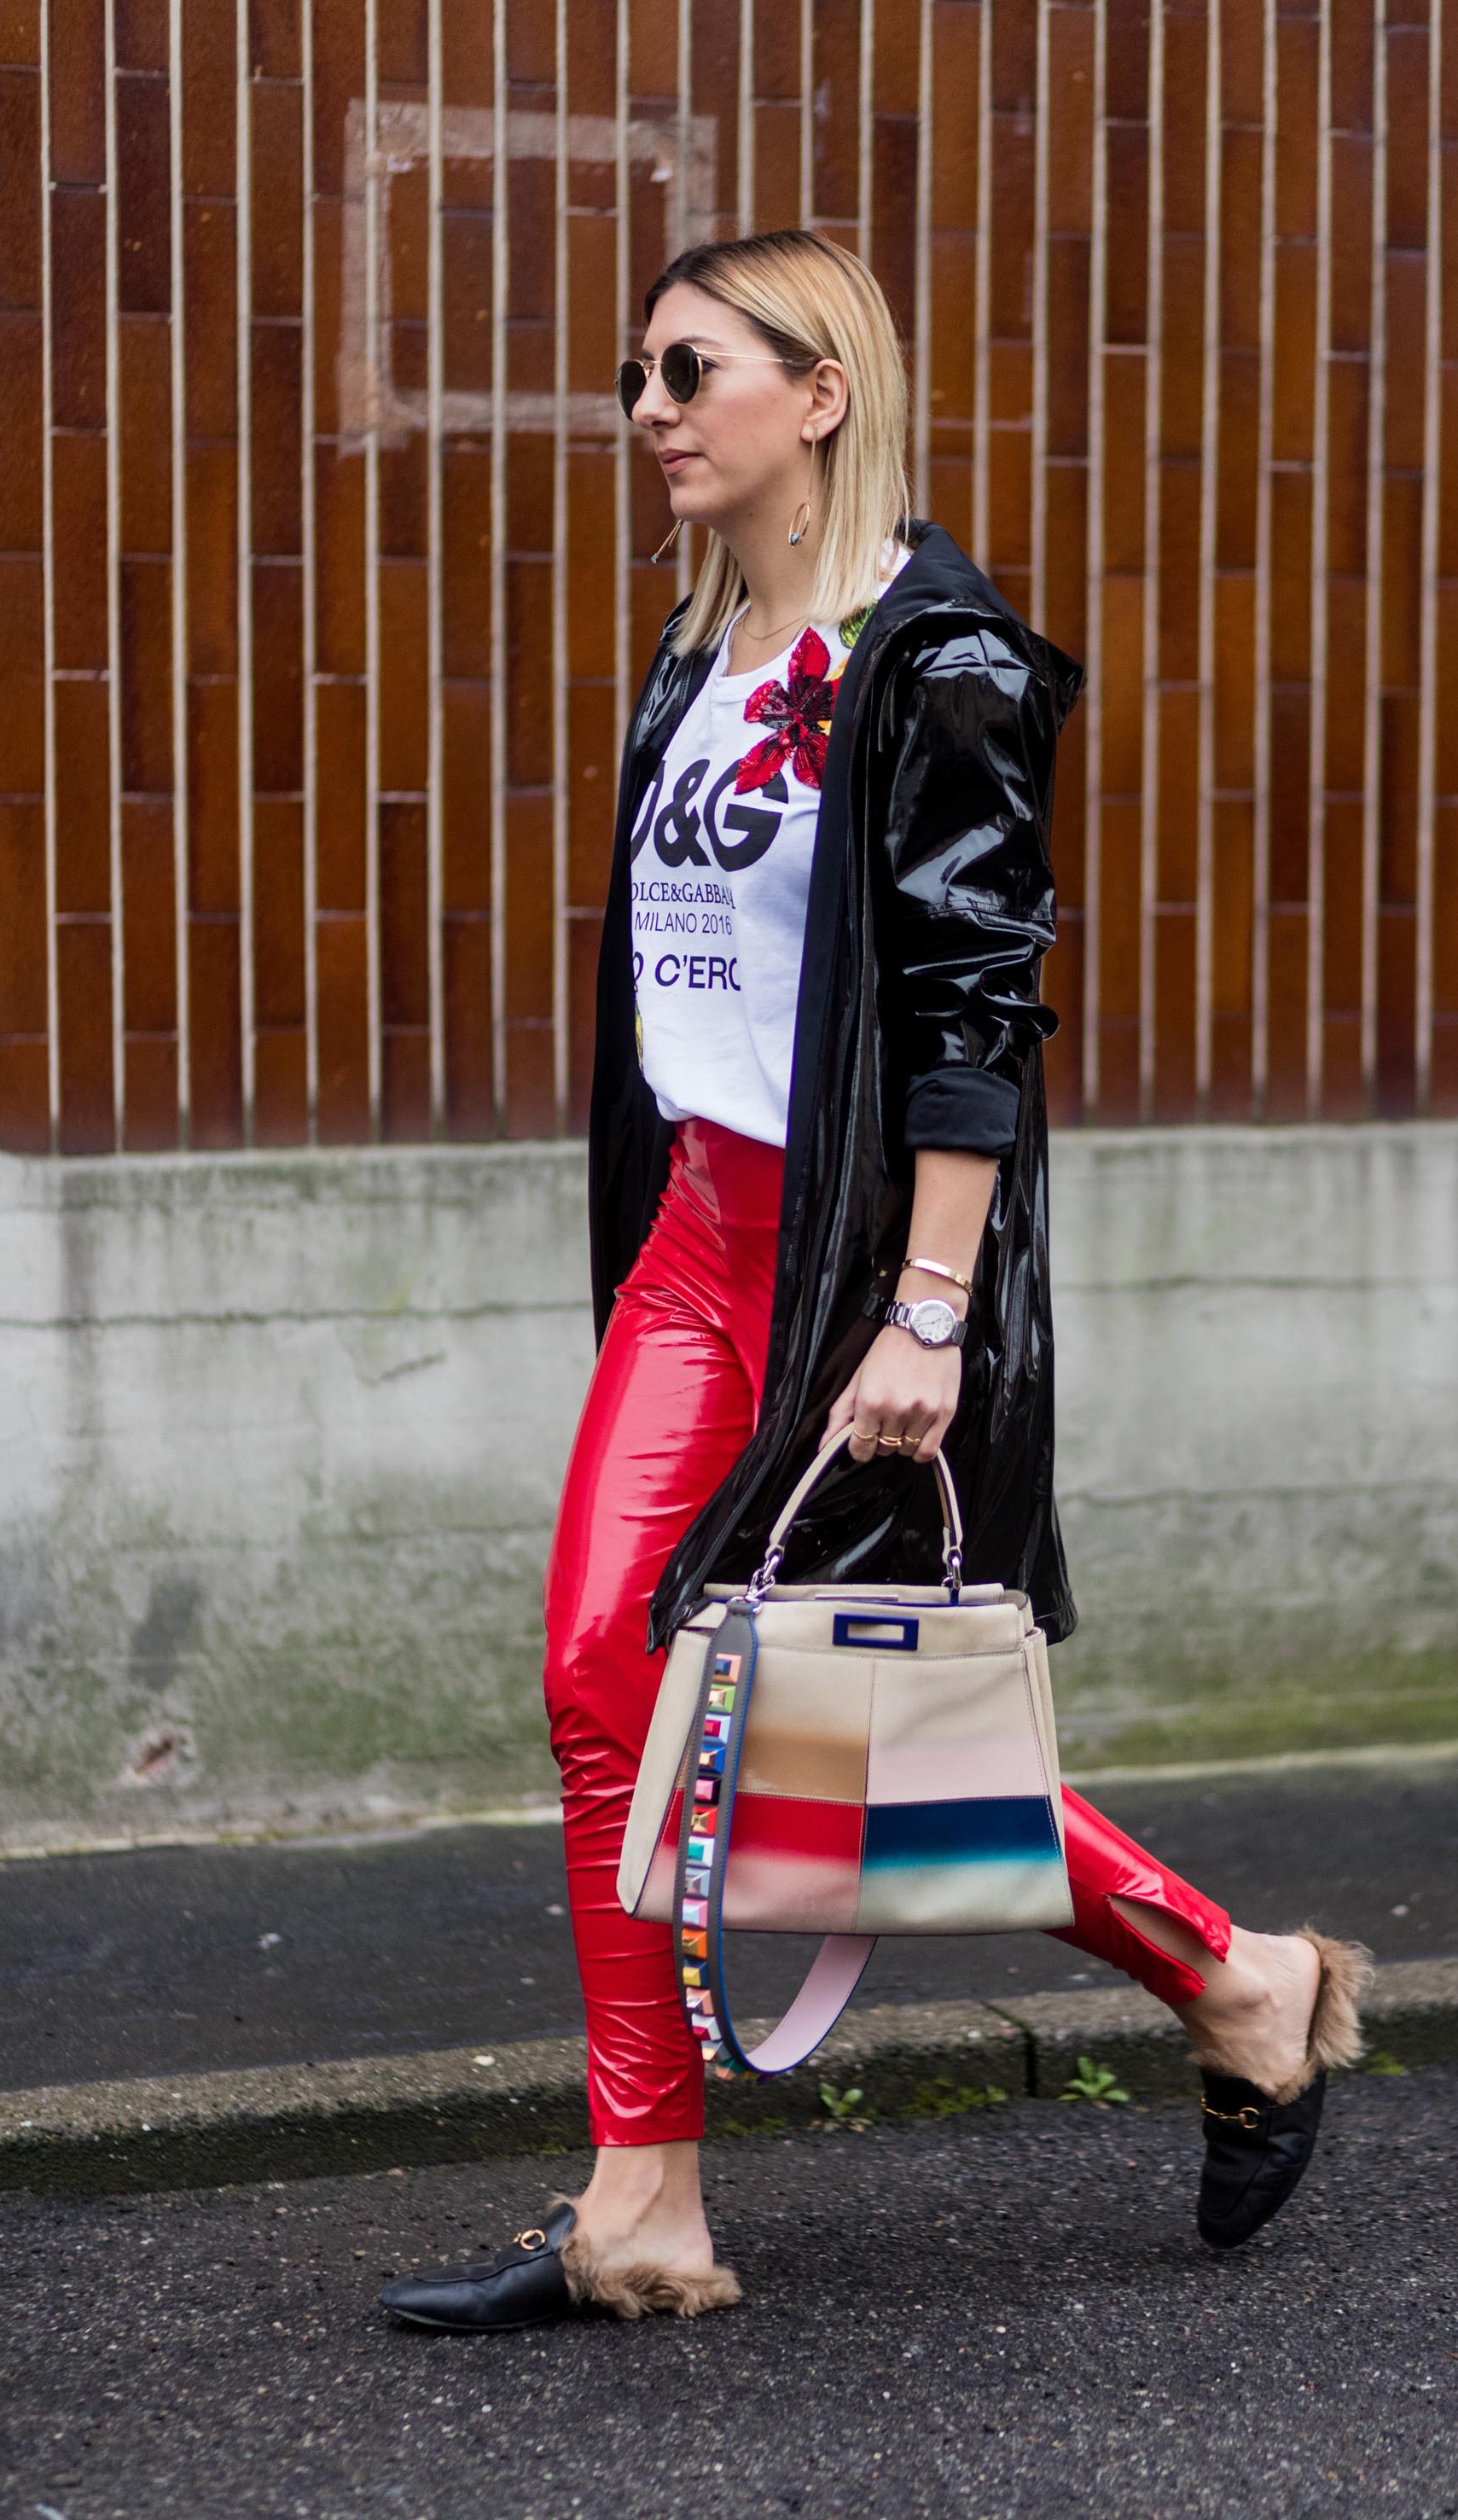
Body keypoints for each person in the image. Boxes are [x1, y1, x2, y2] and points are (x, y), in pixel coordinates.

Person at [380, 230, 1369, 2337]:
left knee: (862, 1718)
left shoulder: (944, 660)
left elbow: (974, 1011)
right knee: (602, 1676)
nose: (645, 408)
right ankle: (642, 2201)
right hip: (696, 1246)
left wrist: (928, 1309)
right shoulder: (701, 655)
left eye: (686, 369)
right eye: (637, 375)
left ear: (818, 392)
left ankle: (1233, 1973)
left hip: (851, 1270)